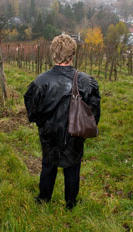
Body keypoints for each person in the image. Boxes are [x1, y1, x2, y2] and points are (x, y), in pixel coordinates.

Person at [24, 34, 101, 210]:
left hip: (49, 133)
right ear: (72, 54)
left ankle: (43, 199)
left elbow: (32, 112)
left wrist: (44, 123)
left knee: (48, 164)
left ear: (53, 53)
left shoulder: (40, 82)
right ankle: (70, 204)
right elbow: (94, 113)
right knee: (73, 167)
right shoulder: (86, 81)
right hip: (75, 132)